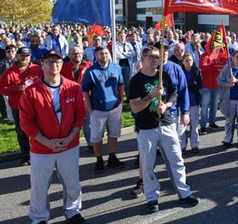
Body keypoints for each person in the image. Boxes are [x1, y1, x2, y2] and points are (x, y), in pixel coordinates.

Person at [128, 46, 199, 213]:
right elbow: (135, 107)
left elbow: (174, 94)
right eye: (151, 57)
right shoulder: (136, 80)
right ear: (142, 58)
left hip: (167, 123)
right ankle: (152, 198)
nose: (155, 60)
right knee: (148, 165)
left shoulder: (164, 75)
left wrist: (167, 104)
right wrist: (151, 95)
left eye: (157, 57)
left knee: (177, 161)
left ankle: (184, 193)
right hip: (146, 128)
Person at [18, 50, 86, 224]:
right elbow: (26, 122)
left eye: (57, 62)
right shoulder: (31, 91)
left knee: (72, 182)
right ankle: (39, 216)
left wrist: (70, 137)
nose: (53, 66)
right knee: (40, 185)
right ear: (42, 64)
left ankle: (72, 211)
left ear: (62, 65)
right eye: (49, 62)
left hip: (68, 145)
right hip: (42, 148)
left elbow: (80, 115)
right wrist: (45, 141)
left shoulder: (73, 87)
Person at [81, 47, 125, 173]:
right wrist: (90, 109)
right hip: (98, 109)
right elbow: (85, 91)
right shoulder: (90, 71)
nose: (104, 55)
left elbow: (121, 84)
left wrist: (121, 102)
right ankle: (99, 159)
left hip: (115, 107)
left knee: (114, 133)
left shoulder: (116, 68)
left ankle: (112, 156)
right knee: (96, 136)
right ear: (96, 55)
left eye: (106, 53)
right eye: (101, 53)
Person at [0, 47, 44, 166]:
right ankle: (25, 155)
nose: (24, 58)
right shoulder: (9, 72)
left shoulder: (37, 69)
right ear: (17, 56)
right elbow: (1, 89)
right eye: (22, 56)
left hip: (36, 105)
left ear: (30, 57)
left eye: (27, 56)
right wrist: (17, 88)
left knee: (39, 129)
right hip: (18, 107)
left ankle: (40, 152)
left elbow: (45, 83)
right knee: (22, 132)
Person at [180, 53, 203, 152]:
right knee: (182, 125)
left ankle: (195, 144)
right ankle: (182, 145)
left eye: (190, 60)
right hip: (182, 102)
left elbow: (199, 84)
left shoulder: (196, 71)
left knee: (194, 124)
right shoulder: (180, 71)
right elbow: (181, 86)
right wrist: (192, 83)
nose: (189, 62)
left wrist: (190, 84)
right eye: (186, 60)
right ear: (182, 62)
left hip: (194, 100)